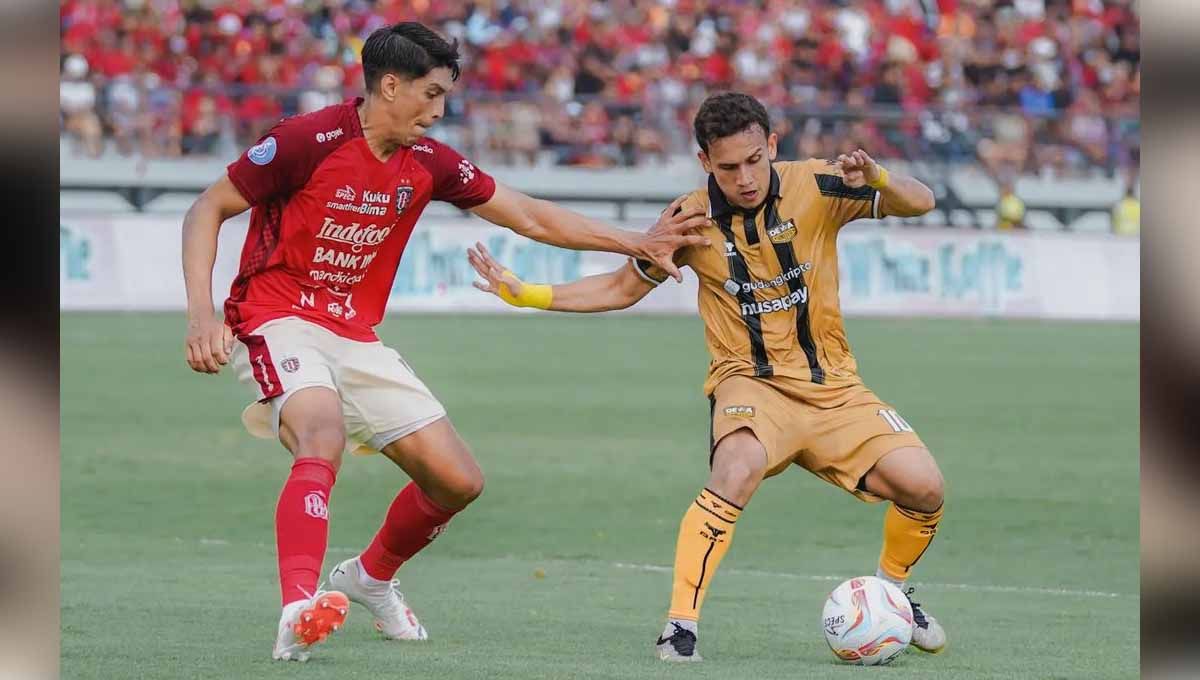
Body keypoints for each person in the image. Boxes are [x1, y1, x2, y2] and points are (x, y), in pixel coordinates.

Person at [180, 22, 708, 663]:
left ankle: (370, 578)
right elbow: (207, 207)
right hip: (275, 316)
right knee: (320, 435)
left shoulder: (429, 163)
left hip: (353, 333)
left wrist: (636, 241)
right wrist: (202, 316)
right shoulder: (306, 140)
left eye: (444, 97)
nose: (438, 110)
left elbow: (530, 214)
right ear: (390, 84)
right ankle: (297, 608)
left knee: (458, 482)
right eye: (430, 94)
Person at [468, 92, 947, 662]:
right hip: (749, 383)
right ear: (705, 163)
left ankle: (891, 593)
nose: (744, 178)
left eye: (753, 160)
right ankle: (679, 628)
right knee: (735, 469)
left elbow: (922, 202)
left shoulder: (821, 184)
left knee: (925, 487)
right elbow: (621, 288)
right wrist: (530, 295)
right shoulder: (689, 219)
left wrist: (880, 177)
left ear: (772, 145)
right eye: (727, 167)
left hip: (833, 387)